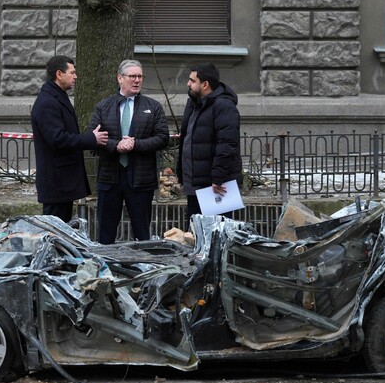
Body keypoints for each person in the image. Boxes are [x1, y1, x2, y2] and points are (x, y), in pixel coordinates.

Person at [88, 60, 169, 243]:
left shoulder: (153, 107)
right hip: (110, 179)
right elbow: (92, 138)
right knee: (105, 234)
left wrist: (136, 144)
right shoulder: (104, 107)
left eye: (140, 76)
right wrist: (115, 145)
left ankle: (141, 268)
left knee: (142, 234)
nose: (137, 80)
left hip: (141, 180)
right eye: (132, 76)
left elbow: (163, 138)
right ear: (120, 78)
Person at [31, 55, 108, 222]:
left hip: (62, 183)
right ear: (59, 74)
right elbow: (58, 139)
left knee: (60, 231)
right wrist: (91, 139)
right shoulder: (48, 102)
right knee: (55, 232)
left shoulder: (56, 96)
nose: (75, 76)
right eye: (72, 72)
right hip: (56, 184)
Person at [176, 63, 242, 218]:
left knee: (216, 234)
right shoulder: (193, 103)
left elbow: (227, 144)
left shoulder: (224, 106)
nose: (188, 84)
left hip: (216, 186)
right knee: (196, 235)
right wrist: (182, 174)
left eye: (192, 80)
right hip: (196, 183)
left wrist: (218, 178)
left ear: (205, 84)